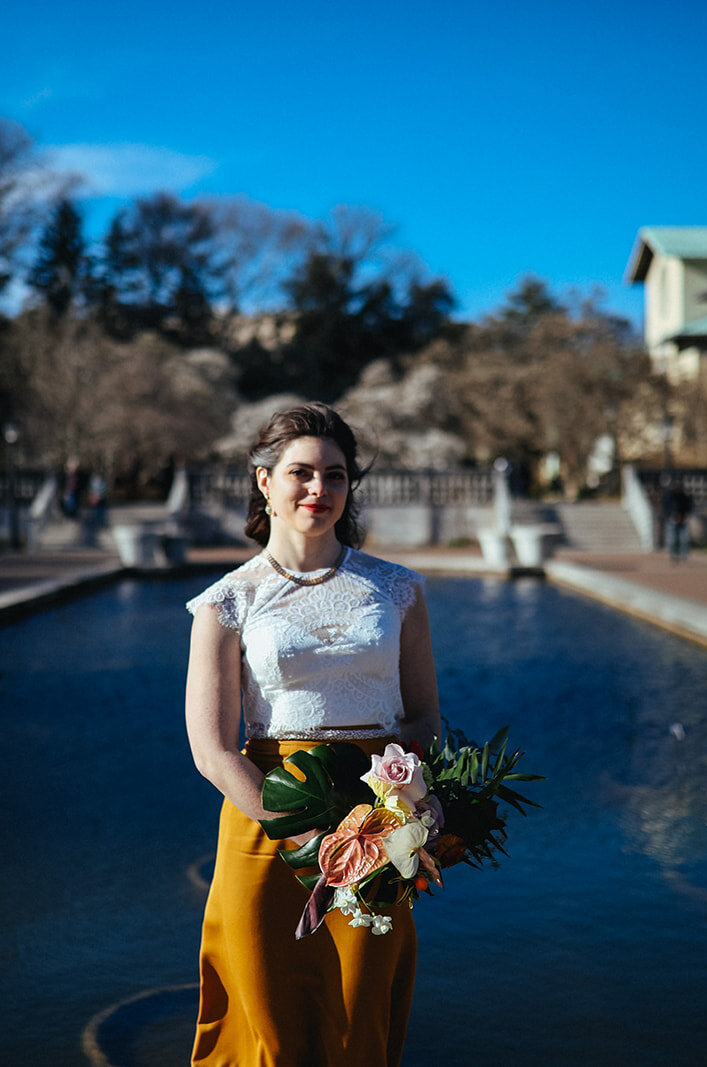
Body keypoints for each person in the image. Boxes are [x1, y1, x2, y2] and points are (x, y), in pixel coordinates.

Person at [184, 402, 440, 1066]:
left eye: (335, 474)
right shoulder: (225, 603)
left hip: (377, 823)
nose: (318, 490)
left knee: (359, 1015)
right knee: (266, 1019)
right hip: (265, 825)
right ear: (264, 480)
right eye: (301, 473)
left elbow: (422, 719)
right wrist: (312, 836)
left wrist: (396, 816)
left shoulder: (398, 591)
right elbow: (212, 750)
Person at [664, 480, 692, 563]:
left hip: (682, 521)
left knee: (684, 539)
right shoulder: (670, 497)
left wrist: (685, 516)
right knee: (672, 540)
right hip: (672, 521)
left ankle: (684, 555)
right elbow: (666, 508)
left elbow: (688, 507)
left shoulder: (684, 497)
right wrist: (671, 516)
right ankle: (672, 555)